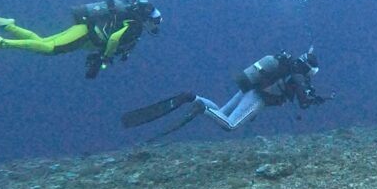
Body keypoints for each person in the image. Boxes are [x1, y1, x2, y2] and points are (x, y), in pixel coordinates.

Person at [0, 0, 161, 90]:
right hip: (86, 34)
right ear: (148, 19)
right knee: (50, 49)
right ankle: (1, 43)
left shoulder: (131, 20)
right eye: (155, 23)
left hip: (85, 30)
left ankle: (7, 25)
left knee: (43, 41)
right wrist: (106, 57)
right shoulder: (135, 26)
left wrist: (101, 56)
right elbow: (115, 38)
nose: (154, 27)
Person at [121, 47, 327, 134]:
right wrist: (315, 99)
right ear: (310, 70)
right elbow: (303, 102)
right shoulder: (298, 76)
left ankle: (193, 98)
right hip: (258, 97)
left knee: (221, 112)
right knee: (230, 125)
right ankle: (201, 107)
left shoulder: (287, 65)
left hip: (249, 88)